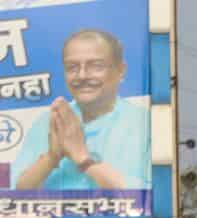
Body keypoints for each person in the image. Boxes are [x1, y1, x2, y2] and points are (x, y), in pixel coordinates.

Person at [13, 29, 150, 190]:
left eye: (96, 66)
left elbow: (150, 197)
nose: (82, 75)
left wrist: (84, 159)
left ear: (121, 70)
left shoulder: (144, 123)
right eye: (72, 68)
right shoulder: (49, 121)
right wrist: (51, 158)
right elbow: (15, 191)